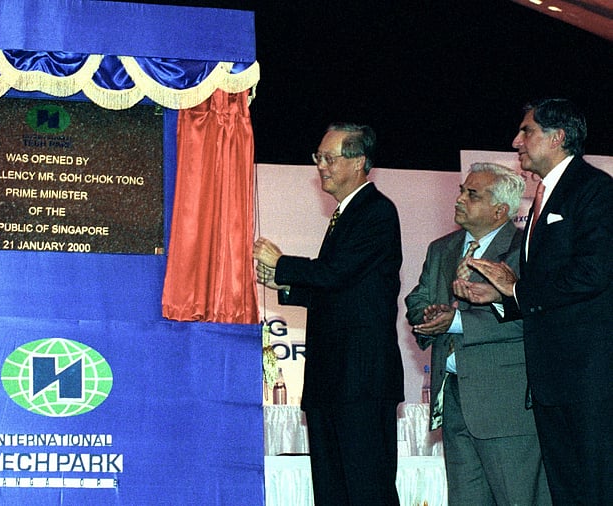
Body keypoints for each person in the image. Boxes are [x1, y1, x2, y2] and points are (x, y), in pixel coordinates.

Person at [456, 99, 613, 504]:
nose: (516, 141)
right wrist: (501, 297)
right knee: (566, 492)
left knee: (593, 489)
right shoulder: (543, 197)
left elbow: (593, 273)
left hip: (587, 378)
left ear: (558, 137)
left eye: (527, 131)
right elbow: (541, 286)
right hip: (551, 380)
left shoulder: (596, 191)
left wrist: (517, 290)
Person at [254, 123, 403, 505]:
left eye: (329, 157)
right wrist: (283, 284)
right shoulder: (345, 215)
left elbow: (338, 272)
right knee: (333, 491)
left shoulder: (377, 212)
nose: (321, 166)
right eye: (318, 157)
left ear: (359, 162)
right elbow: (342, 291)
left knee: (367, 488)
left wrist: (283, 262)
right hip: (331, 380)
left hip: (360, 380)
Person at [405, 162, 550, 505]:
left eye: (472, 194)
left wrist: (455, 322)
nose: (460, 199)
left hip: (506, 405)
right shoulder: (442, 249)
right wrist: (428, 316)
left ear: (501, 209)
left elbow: (531, 316)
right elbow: (418, 297)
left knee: (518, 499)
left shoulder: (525, 251)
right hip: (454, 398)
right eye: (461, 190)